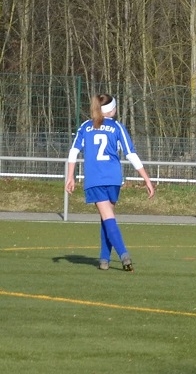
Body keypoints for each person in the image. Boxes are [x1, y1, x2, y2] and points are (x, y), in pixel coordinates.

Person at [64, 94, 155, 271]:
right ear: (111, 110)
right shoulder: (117, 127)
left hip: (95, 179)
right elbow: (131, 154)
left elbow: (73, 152)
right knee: (107, 218)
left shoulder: (86, 126)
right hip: (113, 178)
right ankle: (104, 259)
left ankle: (123, 254)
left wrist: (70, 176)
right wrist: (147, 179)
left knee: (107, 218)